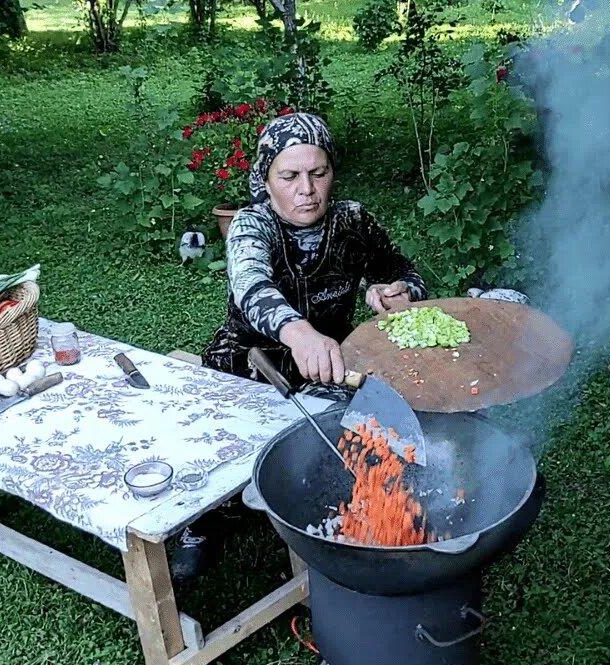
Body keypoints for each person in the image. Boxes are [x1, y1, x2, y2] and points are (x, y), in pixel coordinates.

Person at [171, 112, 427, 583]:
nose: (305, 189)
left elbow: (408, 273)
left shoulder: (352, 221)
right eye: (289, 176)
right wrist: (298, 330)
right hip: (249, 361)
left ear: (332, 173)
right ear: (266, 180)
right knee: (211, 452)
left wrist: (398, 291)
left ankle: (360, 516)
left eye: (318, 173)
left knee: (359, 444)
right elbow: (251, 289)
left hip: (330, 364)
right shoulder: (253, 225)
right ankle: (200, 524)